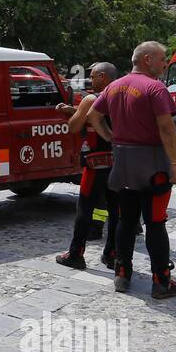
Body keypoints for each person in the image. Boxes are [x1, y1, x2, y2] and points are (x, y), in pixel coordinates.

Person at [88, 41, 176, 299]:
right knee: (155, 223)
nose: (165, 63)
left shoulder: (113, 86)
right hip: (153, 165)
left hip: (123, 164)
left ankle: (122, 272)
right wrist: (174, 163)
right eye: (162, 58)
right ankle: (161, 280)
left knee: (125, 220)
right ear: (147, 60)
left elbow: (93, 117)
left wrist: (111, 137)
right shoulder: (155, 88)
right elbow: (166, 127)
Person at [55, 62, 119, 271]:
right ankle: (112, 254)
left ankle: (76, 254)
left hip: (96, 162)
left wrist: (74, 112)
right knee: (115, 209)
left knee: (84, 207)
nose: (91, 80)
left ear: (103, 76)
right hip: (118, 161)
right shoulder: (122, 97)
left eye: (93, 76)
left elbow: (74, 126)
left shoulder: (91, 98)